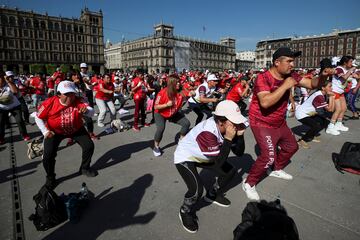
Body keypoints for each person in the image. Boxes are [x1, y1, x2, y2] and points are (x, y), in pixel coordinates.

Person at [242, 48, 333, 201]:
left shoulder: (291, 75)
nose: (293, 64)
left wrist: (322, 76)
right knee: (268, 156)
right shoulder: (262, 78)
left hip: (279, 122)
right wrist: (286, 85)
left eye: (293, 61)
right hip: (261, 122)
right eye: (289, 61)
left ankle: (276, 169)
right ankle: (249, 182)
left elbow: (312, 84)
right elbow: (264, 103)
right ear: (277, 62)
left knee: (292, 147)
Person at [175, 100, 247, 233]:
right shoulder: (208, 132)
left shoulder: (229, 127)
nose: (237, 124)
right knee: (196, 190)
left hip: (205, 155)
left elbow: (239, 153)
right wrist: (229, 139)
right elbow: (218, 162)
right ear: (221, 121)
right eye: (234, 121)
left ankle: (212, 195)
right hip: (186, 156)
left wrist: (240, 136)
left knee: (230, 171)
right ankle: (185, 211)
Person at [34, 80, 98, 189]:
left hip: (76, 129)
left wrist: (86, 111)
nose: (70, 97)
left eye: (72, 93)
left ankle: (84, 168)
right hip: (55, 131)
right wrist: (45, 131)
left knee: (89, 146)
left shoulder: (78, 100)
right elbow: (38, 117)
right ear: (59, 94)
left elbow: (91, 112)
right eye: (66, 94)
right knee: (48, 156)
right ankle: (50, 177)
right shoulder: (50, 102)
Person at [153, 75, 190, 156]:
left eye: (179, 82)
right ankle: (156, 146)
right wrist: (166, 105)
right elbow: (156, 106)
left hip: (173, 113)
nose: (179, 84)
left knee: (186, 123)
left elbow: (189, 93)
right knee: (161, 128)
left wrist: (193, 93)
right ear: (171, 83)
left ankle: (181, 139)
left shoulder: (180, 91)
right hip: (161, 113)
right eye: (176, 82)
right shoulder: (162, 92)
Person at [296, 80, 334, 149]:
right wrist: (332, 97)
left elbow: (330, 109)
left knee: (325, 122)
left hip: (309, 113)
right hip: (301, 114)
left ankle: (310, 136)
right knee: (316, 126)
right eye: (330, 86)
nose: (332, 88)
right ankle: (302, 140)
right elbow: (330, 109)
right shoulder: (319, 96)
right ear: (323, 88)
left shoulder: (322, 94)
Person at [326, 56, 356, 135]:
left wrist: (354, 74)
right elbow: (344, 77)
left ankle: (338, 124)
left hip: (341, 92)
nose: (351, 64)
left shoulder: (345, 69)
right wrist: (350, 71)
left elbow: (352, 77)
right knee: (338, 109)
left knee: (344, 108)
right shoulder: (339, 69)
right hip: (335, 91)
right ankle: (330, 127)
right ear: (345, 63)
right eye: (350, 62)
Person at [0, 71, 30, 144]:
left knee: (19, 120)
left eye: (1, 78)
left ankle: (24, 134)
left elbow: (15, 91)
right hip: (2, 107)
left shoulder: (9, 84)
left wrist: (9, 82)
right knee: (1, 123)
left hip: (14, 106)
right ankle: (1, 138)